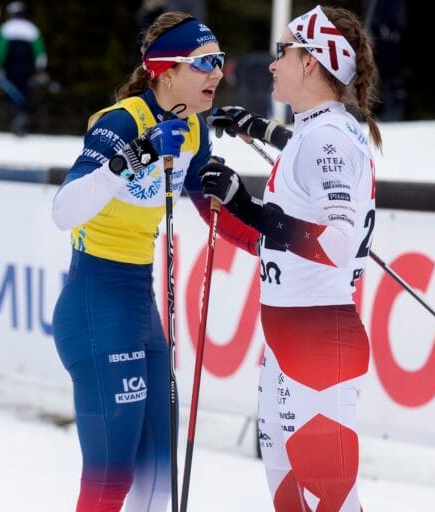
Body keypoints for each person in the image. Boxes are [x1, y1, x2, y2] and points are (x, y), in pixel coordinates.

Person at [50, 12, 258, 512]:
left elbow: (213, 212)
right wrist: (131, 160)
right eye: (205, 62)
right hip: (95, 306)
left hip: (140, 311)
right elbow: (64, 209)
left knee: (159, 482)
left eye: (220, 62)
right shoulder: (125, 122)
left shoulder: (192, 130)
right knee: (109, 482)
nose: (217, 73)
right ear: (166, 71)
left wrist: (274, 241)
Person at [201, 5, 380, 511]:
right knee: (286, 490)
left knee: (330, 497)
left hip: (318, 334)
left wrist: (244, 206)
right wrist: (258, 128)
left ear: (311, 63)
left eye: (285, 52)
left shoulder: (326, 138)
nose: (273, 63)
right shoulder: (320, 129)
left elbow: (339, 244)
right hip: (290, 334)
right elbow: (304, 150)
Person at [0, 1, 47, 135]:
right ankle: (23, 117)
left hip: (10, 67)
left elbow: (0, 49)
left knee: (11, 92)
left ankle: (15, 117)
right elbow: (39, 51)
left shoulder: (5, 28)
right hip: (27, 67)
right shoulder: (32, 28)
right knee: (25, 93)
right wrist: (40, 68)